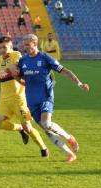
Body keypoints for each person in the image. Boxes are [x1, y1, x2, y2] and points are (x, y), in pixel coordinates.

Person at [15, 34, 89, 162]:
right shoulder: (23, 61)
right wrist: (14, 74)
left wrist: (79, 83)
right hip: (31, 101)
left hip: (45, 96)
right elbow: (21, 79)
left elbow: (65, 71)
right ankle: (70, 154)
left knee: (47, 123)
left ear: (34, 43)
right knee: (47, 130)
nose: (25, 47)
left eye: (27, 44)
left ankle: (69, 137)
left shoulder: (44, 58)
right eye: (24, 44)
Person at [0, 36, 49, 158]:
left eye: (4, 47)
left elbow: (16, 70)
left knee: (29, 129)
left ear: (10, 46)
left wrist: (9, 70)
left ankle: (43, 147)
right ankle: (19, 128)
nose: (2, 50)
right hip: (4, 100)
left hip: (19, 100)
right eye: (0, 48)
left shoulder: (16, 55)